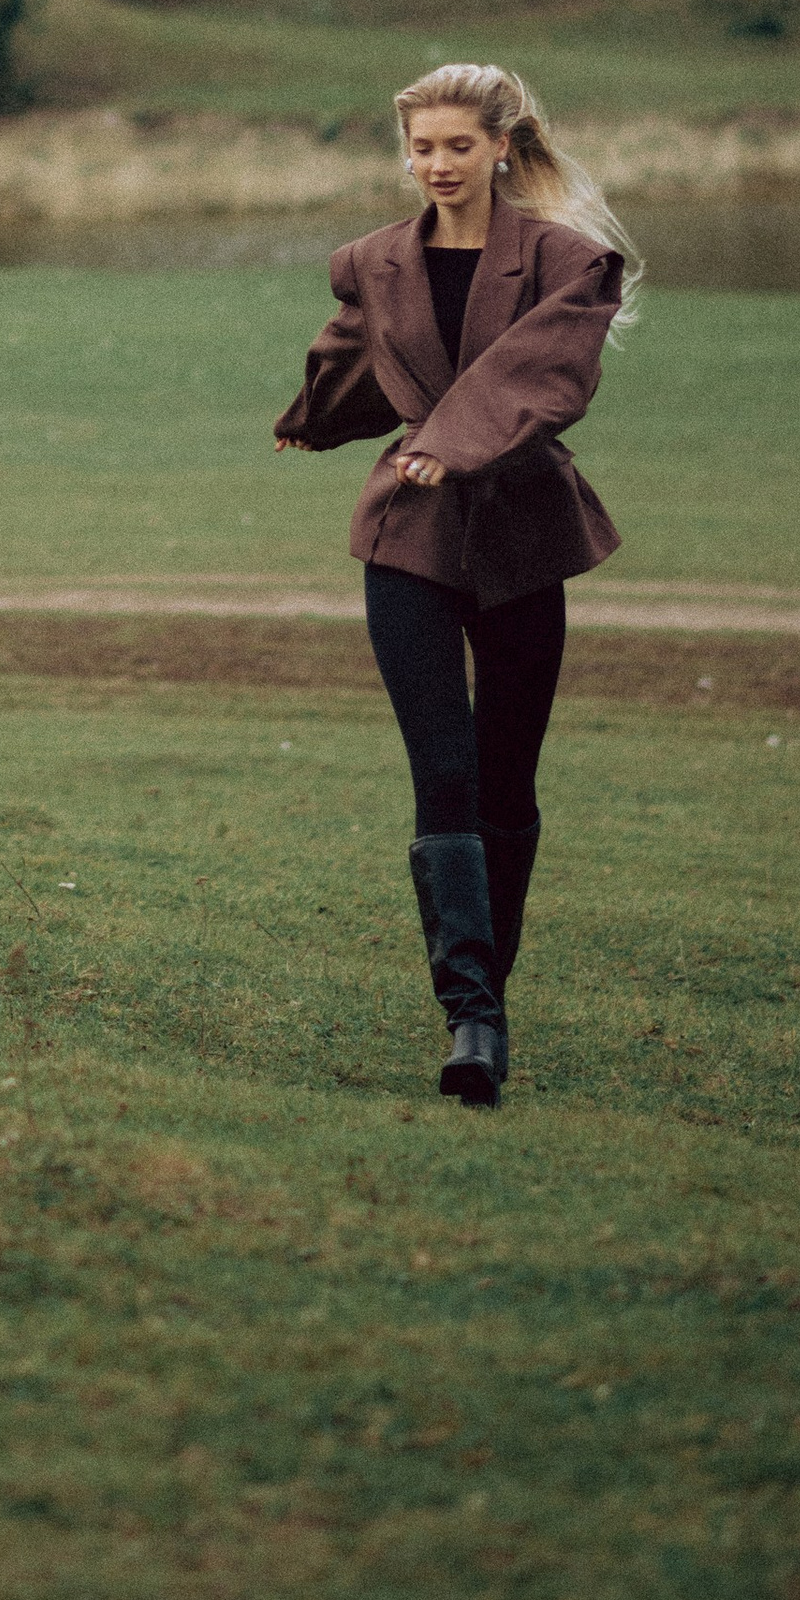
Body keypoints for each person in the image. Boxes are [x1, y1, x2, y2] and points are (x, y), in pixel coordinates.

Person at [273, 63, 638, 1109]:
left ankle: (487, 996)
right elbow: (356, 353)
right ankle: (471, 1017)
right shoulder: (375, 260)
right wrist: (313, 418)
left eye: (457, 146)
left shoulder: (566, 261)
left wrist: (453, 440)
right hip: (409, 540)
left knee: (505, 783)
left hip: (524, 536)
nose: (436, 164)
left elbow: (539, 373)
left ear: (500, 149)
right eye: (422, 147)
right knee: (443, 773)